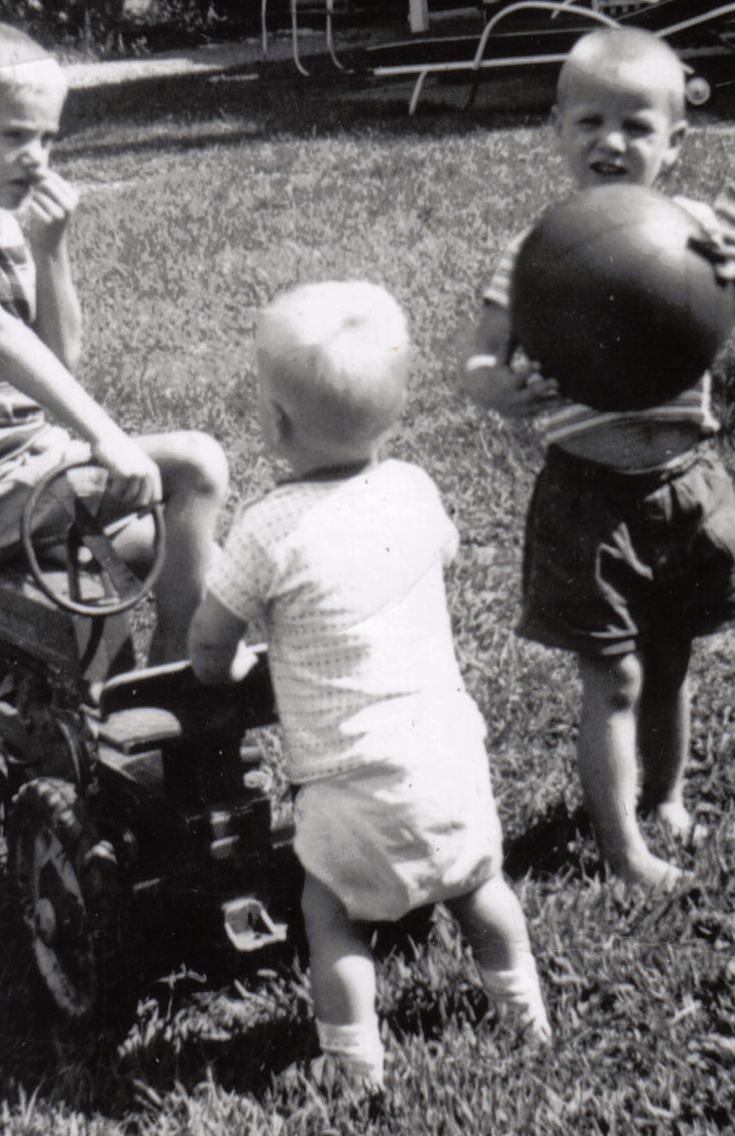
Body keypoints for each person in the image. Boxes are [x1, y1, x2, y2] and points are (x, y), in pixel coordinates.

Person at [188, 282, 550, 1094]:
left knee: (330, 915)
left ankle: (353, 1065)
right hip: (450, 757)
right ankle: (525, 1014)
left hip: (349, 780)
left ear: (276, 424)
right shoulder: (416, 491)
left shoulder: (267, 529)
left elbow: (211, 640)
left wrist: (222, 669)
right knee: (479, 887)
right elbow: (441, 555)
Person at [461, 27, 735, 892]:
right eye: (591, 122)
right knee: (614, 675)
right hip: (589, 497)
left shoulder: (693, 232)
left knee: (672, 661)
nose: (612, 142)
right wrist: (503, 389)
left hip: (687, 485)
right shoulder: (542, 248)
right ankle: (623, 848)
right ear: (557, 129)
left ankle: (667, 797)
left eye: (638, 126)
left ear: (675, 143)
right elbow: (478, 359)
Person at [0, 19, 226, 663]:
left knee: (196, 550)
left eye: (46, 138)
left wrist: (52, 249)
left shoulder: (5, 226)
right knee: (196, 463)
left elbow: (60, 354)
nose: (36, 157)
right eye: (14, 135)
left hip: (30, 472)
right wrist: (106, 437)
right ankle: (176, 668)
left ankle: (158, 688)